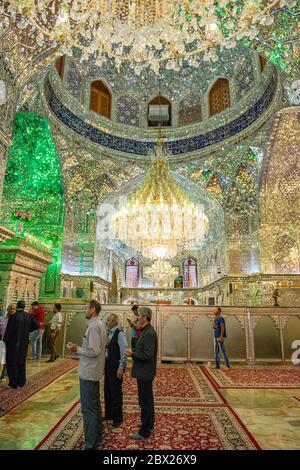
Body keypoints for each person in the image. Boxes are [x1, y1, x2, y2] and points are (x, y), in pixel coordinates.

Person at [67, 299, 106, 450]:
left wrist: (77, 349)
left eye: (86, 308)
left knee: (88, 408)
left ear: (93, 310)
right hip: (93, 371)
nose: (84, 310)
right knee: (94, 406)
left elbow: (94, 351)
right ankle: (97, 437)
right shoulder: (97, 325)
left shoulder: (94, 327)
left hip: (89, 372)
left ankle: (90, 443)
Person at [125, 306, 158, 440]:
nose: (138, 318)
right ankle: (149, 424)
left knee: (145, 402)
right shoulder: (146, 331)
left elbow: (147, 354)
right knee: (147, 400)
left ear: (145, 317)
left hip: (145, 372)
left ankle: (144, 431)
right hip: (145, 372)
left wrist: (132, 353)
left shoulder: (149, 333)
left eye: (139, 316)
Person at [3, 300, 39, 389]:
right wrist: (27, 330)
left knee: (12, 363)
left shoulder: (13, 316)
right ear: (24, 306)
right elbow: (37, 325)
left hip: (13, 343)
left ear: (17, 306)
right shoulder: (28, 316)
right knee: (21, 362)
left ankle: (13, 383)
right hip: (24, 343)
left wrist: (5, 340)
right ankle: (21, 382)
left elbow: (9, 330)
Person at [104, 313, 128, 427]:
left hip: (115, 366)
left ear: (114, 322)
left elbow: (124, 352)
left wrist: (121, 368)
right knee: (107, 391)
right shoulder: (108, 333)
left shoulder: (120, 334)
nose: (106, 322)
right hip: (108, 365)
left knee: (115, 392)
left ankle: (117, 418)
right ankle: (109, 414)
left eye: (109, 320)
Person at [0, 304, 15, 380]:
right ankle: (1, 374)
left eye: (14, 309)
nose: (12, 310)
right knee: (2, 358)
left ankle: (7, 373)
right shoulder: (1, 319)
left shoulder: (16, 321)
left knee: (9, 359)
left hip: (12, 343)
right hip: (2, 342)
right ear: (7, 309)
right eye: (11, 308)